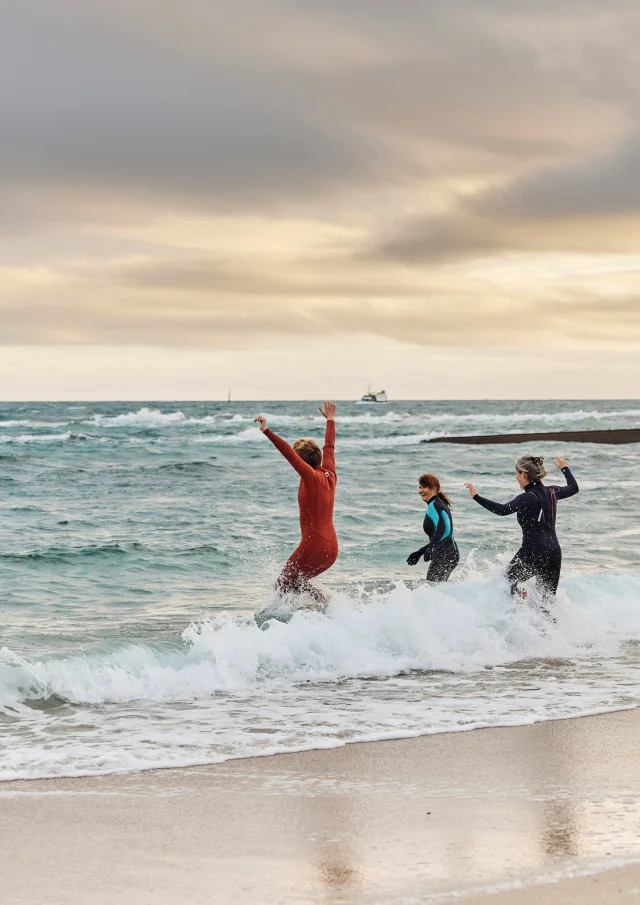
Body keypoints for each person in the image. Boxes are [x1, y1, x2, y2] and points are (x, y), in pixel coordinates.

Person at [464, 455, 579, 603]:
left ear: (524, 474)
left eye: (516, 473)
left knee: (506, 583)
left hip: (534, 552)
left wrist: (476, 496)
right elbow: (573, 488)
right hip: (554, 553)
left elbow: (502, 510)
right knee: (545, 603)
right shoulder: (552, 492)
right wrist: (564, 468)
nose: (516, 477)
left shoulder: (527, 497)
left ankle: (518, 610)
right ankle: (531, 611)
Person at [254, 402, 338, 599]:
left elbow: (289, 454)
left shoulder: (310, 477)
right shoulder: (330, 473)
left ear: (302, 462)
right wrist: (330, 420)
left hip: (314, 544)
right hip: (332, 548)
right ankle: (328, 606)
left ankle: (275, 618)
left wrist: (266, 431)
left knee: (281, 586)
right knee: (295, 583)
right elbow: (329, 446)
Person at [407, 473, 459, 582]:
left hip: (444, 553)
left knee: (431, 587)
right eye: (420, 487)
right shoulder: (439, 503)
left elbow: (443, 529)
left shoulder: (434, 505)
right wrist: (422, 551)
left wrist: (430, 547)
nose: (421, 490)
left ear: (434, 488)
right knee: (437, 588)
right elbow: (443, 533)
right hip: (449, 553)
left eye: (424, 487)